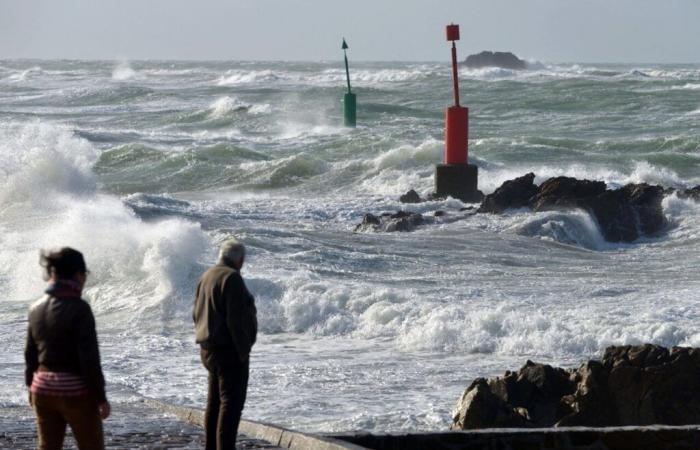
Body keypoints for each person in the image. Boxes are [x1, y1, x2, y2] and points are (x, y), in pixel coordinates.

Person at [24, 247, 110, 450]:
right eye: (84, 274)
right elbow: (89, 359)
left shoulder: (35, 308)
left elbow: (30, 355)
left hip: (42, 389)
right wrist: (101, 398)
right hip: (74, 391)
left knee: (47, 446)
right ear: (78, 274)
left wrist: (31, 387)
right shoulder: (79, 308)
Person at [193, 238, 257, 450]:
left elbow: (195, 313)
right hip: (228, 351)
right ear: (240, 259)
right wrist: (243, 351)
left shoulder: (206, 276)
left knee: (214, 404)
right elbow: (235, 320)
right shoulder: (232, 278)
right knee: (231, 406)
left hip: (208, 349)